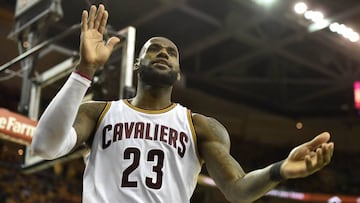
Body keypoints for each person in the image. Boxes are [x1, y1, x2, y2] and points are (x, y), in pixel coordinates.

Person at [31, 4, 334, 203]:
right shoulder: (98, 112)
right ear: (137, 64)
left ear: (177, 73)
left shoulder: (201, 127)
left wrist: (280, 170)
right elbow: (44, 146)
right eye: (154, 50)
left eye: (171, 52)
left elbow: (237, 188)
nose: (163, 53)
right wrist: (84, 71)